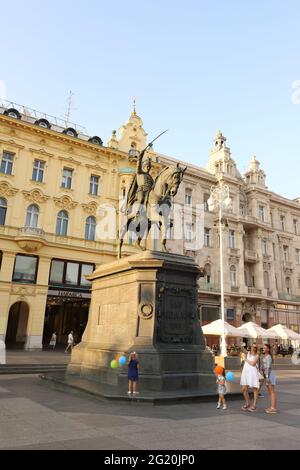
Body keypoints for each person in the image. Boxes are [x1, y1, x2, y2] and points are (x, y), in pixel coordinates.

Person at [240, 344, 260, 412]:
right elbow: (242, 349)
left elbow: (253, 364)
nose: (253, 348)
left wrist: (245, 359)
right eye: (252, 346)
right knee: (244, 389)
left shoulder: (257, 355)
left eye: (255, 347)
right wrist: (241, 344)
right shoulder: (248, 353)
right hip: (245, 372)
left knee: (255, 389)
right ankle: (248, 403)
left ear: (256, 348)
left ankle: (254, 405)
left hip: (252, 373)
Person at [261, 343, 277, 414]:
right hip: (267, 374)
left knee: (272, 391)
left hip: (270, 375)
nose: (263, 349)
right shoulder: (265, 356)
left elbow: (268, 367)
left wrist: (267, 377)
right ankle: (272, 407)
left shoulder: (269, 357)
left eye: (265, 348)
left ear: (268, 349)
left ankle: (273, 408)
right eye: (263, 348)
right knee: (270, 392)